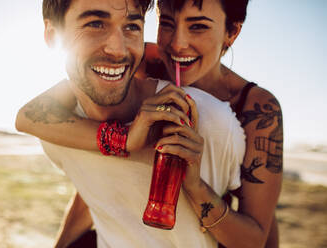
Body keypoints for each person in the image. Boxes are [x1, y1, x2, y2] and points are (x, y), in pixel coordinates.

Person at [16, 0, 283, 247]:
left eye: (198, 27)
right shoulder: (142, 60)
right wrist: (123, 139)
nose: (178, 45)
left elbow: (260, 231)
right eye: (166, 23)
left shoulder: (255, 109)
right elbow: (31, 115)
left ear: (231, 32)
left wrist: (195, 186)